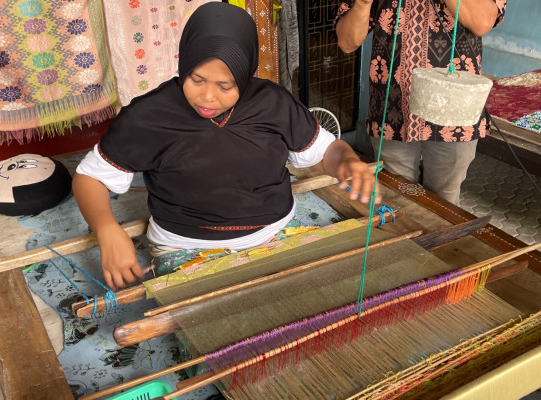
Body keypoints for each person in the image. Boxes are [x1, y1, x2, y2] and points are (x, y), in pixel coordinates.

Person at [73, 2, 380, 289]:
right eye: (196, 79)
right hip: (183, 245)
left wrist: (348, 161)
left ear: (245, 75)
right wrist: (106, 229)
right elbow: (90, 178)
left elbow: (326, 151)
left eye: (226, 86)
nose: (208, 97)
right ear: (185, 63)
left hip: (271, 234)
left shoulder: (274, 104)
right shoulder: (148, 116)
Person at [335, 0, 506, 205]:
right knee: (397, 197)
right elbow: (346, 42)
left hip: (452, 109)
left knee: (445, 201)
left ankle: (443, 237)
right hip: (393, 109)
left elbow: (482, 21)